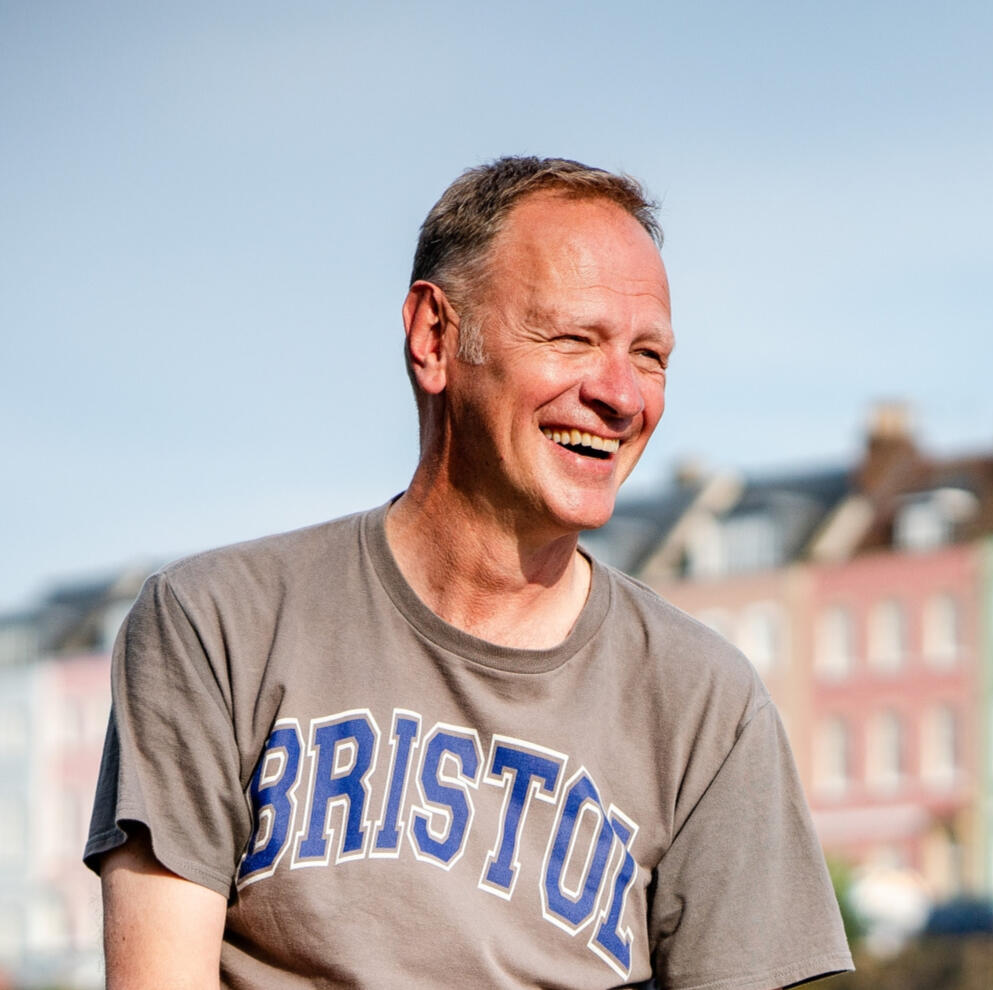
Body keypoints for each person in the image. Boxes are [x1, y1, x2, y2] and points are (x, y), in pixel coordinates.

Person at [86, 156, 854, 989]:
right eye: (572, 338)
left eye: (649, 355)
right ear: (434, 338)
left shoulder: (707, 704)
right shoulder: (217, 625)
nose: (622, 396)